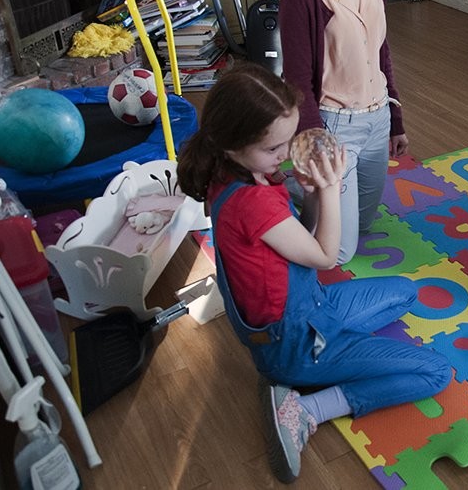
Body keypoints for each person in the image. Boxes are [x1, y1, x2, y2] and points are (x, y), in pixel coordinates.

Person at [176, 64, 451, 483]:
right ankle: (306, 409)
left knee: (405, 292)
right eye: (273, 149)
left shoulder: (232, 173)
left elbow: (297, 238)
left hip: (311, 308)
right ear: (231, 145)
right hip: (296, 344)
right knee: (435, 372)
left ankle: (343, 355)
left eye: (287, 142)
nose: (284, 156)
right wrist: (329, 187)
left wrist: (309, 196)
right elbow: (325, 256)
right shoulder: (252, 202)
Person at [280, 0, 406, 265]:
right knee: (338, 253)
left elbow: (380, 52)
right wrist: (317, 147)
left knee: (365, 225)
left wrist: (396, 118)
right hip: (336, 127)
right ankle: (293, 183)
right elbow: (298, 81)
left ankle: (311, 187)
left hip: (377, 120)